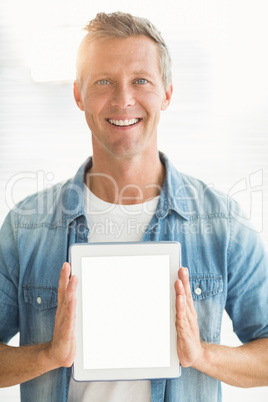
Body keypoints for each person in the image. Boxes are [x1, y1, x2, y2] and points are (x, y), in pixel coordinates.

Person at [0, 11, 268, 402]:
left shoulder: (222, 223)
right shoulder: (25, 227)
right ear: (78, 94)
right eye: (104, 81)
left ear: (167, 92)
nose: (123, 99)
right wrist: (49, 355)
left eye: (140, 80)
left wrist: (201, 355)